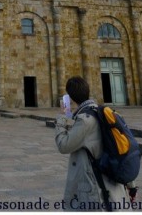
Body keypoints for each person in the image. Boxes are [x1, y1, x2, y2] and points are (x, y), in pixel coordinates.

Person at [54, 76, 130, 211]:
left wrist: (62, 118)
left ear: (70, 98)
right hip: (115, 186)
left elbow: (64, 145)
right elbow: (122, 147)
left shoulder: (85, 120)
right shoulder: (105, 113)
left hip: (95, 190)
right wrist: (131, 185)